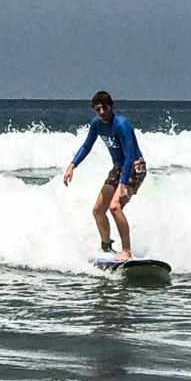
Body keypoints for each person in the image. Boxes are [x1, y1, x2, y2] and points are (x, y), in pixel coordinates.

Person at [63, 91, 147, 259]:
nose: (101, 112)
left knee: (115, 207)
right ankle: (107, 247)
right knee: (98, 210)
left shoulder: (122, 124)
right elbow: (87, 146)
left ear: (111, 106)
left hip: (135, 166)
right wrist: (73, 165)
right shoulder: (96, 124)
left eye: (104, 108)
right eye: (98, 109)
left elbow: (130, 155)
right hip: (118, 168)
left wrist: (123, 184)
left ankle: (127, 251)